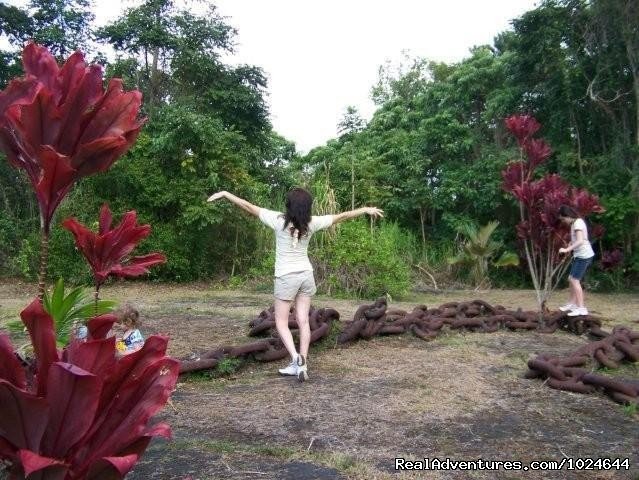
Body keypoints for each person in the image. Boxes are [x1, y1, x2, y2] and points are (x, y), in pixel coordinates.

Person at [207, 188, 383, 382]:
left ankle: (296, 359)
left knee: (281, 322)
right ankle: (303, 363)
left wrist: (225, 194)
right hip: (306, 275)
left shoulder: (278, 220)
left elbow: (248, 206)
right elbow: (342, 216)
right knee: (304, 321)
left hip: (286, 277)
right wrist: (365, 209)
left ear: (288, 205)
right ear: (307, 207)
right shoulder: (312, 223)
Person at [557, 205, 595, 316]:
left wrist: (566, 249)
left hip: (584, 255)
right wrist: (569, 245)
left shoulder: (577, 223)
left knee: (574, 280)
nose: (563, 221)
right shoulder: (575, 223)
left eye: (563, 219)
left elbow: (580, 241)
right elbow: (577, 240)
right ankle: (572, 304)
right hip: (580, 255)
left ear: (568, 216)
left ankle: (581, 308)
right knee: (571, 279)